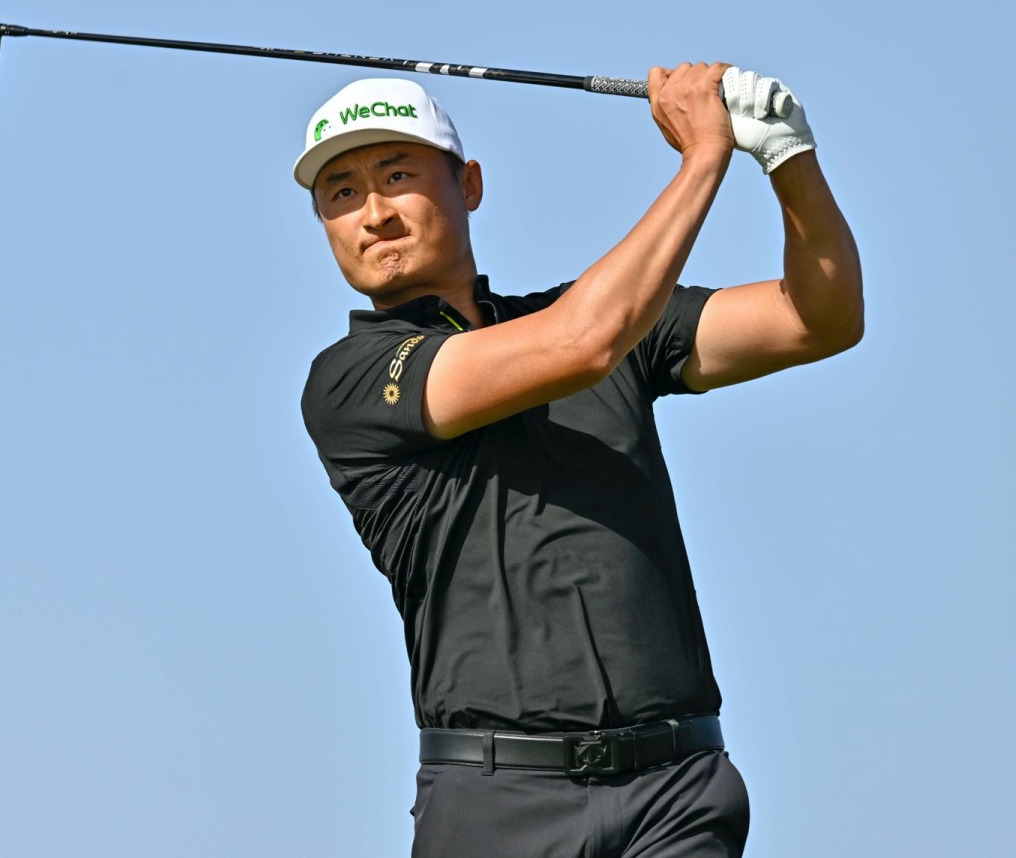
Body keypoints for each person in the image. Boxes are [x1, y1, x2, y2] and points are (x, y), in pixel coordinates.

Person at [297, 63, 862, 858]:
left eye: (397, 175)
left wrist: (787, 159)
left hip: (676, 794)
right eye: (342, 194)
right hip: (495, 806)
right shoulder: (350, 380)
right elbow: (582, 343)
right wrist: (704, 157)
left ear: (471, 185)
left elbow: (820, 319)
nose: (374, 213)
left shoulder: (605, 320)